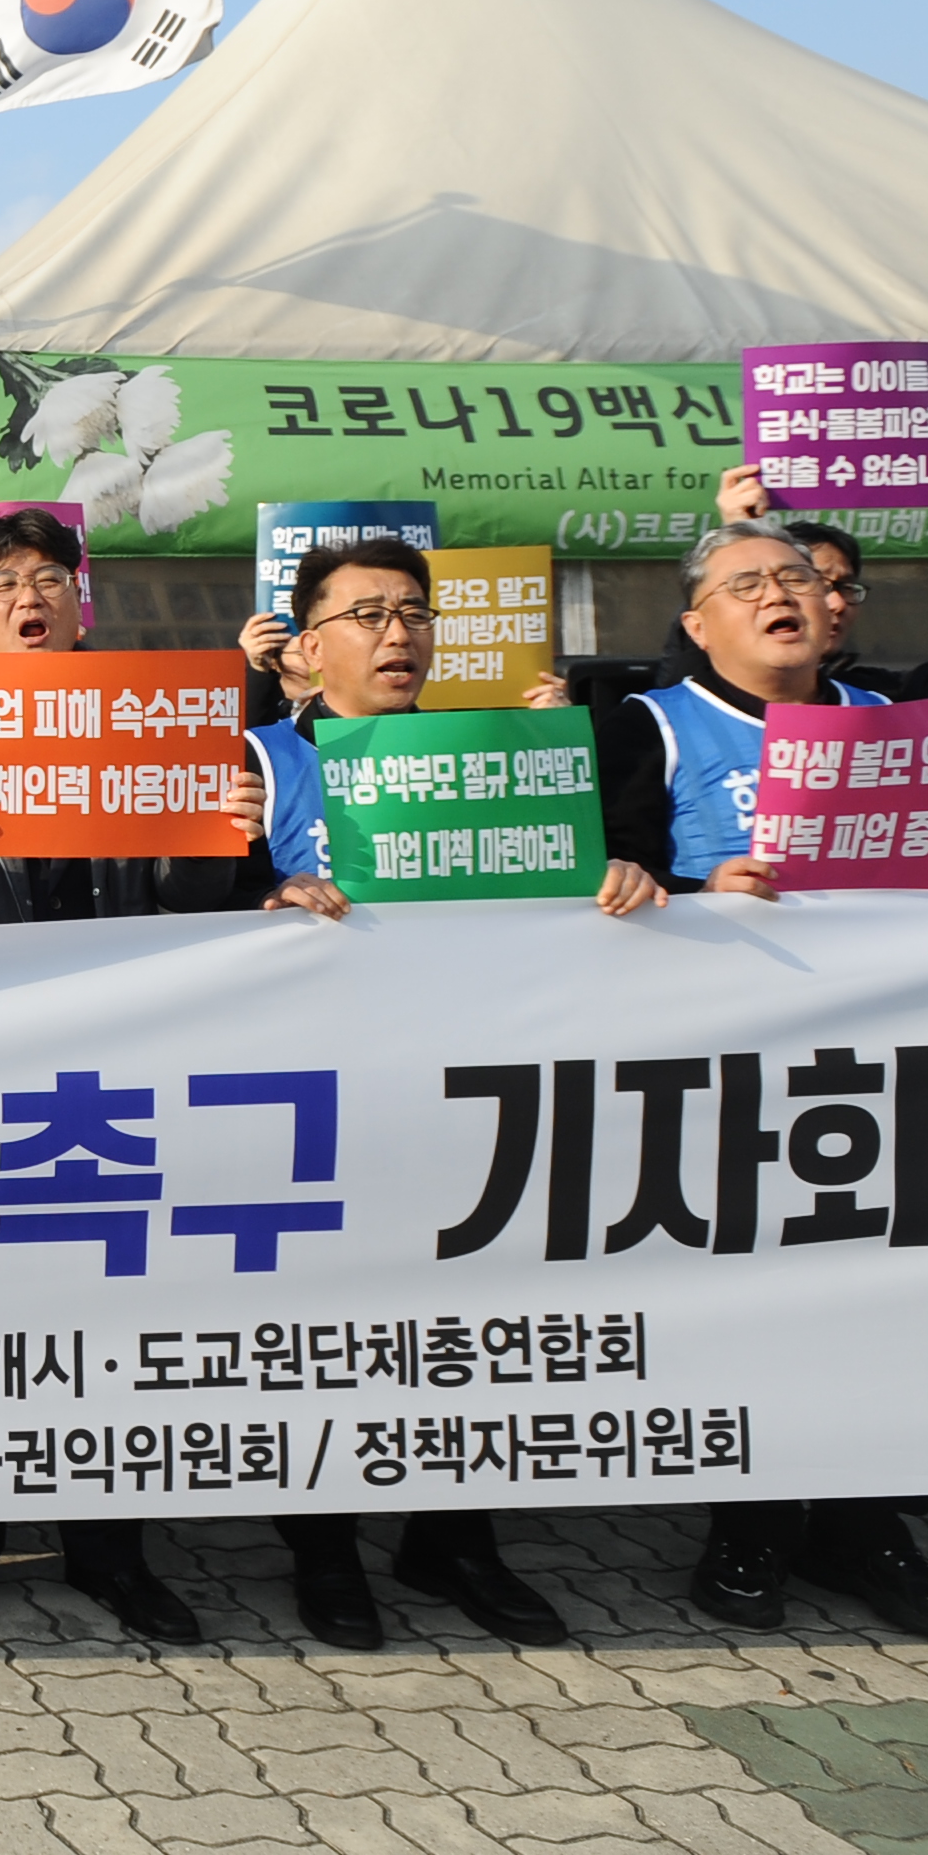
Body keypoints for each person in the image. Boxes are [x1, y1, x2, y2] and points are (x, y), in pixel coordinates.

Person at [596, 518, 928, 1643]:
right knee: (755, 1299)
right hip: (725, 1062)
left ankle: (869, 1529)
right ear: (698, 623)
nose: (780, 595)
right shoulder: (648, 724)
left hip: (884, 1067)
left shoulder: (889, 718)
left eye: (795, 578)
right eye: (747, 583)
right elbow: (604, 873)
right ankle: (748, 1529)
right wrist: (691, 891)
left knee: (882, 1297)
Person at [0, 504, 263, 1645]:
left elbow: (188, 898)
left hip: (117, 1052)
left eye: (46, 578)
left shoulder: (155, 708)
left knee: (109, 1303)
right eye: (0, 584)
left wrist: (217, 837)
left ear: (78, 598)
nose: (26, 598)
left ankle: (109, 1549)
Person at [240, 535, 577, 1653]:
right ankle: (324, 1546)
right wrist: (262, 899)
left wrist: (615, 877)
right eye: (369, 615)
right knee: (324, 1331)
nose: (398, 635)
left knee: (462, 1327)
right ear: (307, 643)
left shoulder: (491, 752)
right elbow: (186, 911)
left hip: (464, 1086)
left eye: (414, 614)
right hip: (314, 1098)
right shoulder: (256, 760)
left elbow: (558, 895)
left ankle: (455, 1539)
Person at [660, 461, 928, 711]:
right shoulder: (672, 719)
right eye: (807, 581)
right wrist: (741, 538)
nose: (834, 603)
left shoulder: (883, 704)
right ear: (698, 628)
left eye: (845, 587)